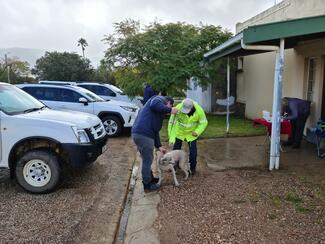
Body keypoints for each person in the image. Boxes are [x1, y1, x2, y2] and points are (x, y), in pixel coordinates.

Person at [132, 95, 178, 191]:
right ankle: (147, 185)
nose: (168, 110)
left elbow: (155, 130)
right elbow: (154, 104)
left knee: (146, 158)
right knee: (147, 160)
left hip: (140, 134)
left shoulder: (157, 113)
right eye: (170, 106)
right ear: (168, 103)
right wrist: (170, 110)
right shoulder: (158, 99)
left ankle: (150, 179)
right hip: (144, 134)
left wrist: (159, 146)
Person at [168, 98, 208, 175]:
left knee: (193, 153)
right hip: (179, 132)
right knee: (175, 150)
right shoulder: (178, 108)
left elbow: (204, 123)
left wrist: (197, 131)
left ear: (192, 108)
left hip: (191, 134)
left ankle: (192, 169)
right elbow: (171, 123)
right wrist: (171, 137)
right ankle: (174, 166)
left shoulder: (199, 111)